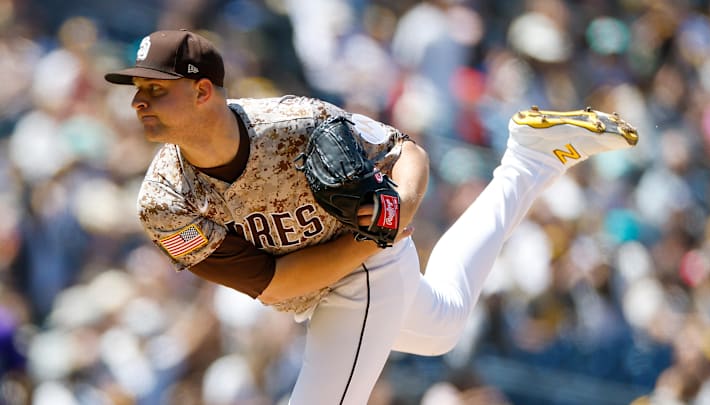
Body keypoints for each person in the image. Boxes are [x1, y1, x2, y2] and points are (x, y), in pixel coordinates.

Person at [104, 29, 639, 404]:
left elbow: (408, 152)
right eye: (137, 91)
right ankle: (528, 158)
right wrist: (379, 235)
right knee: (443, 327)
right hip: (338, 266)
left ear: (202, 92)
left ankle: (529, 159)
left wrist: (397, 210)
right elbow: (273, 284)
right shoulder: (164, 202)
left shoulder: (295, 122)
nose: (139, 103)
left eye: (155, 89)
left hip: (364, 273)